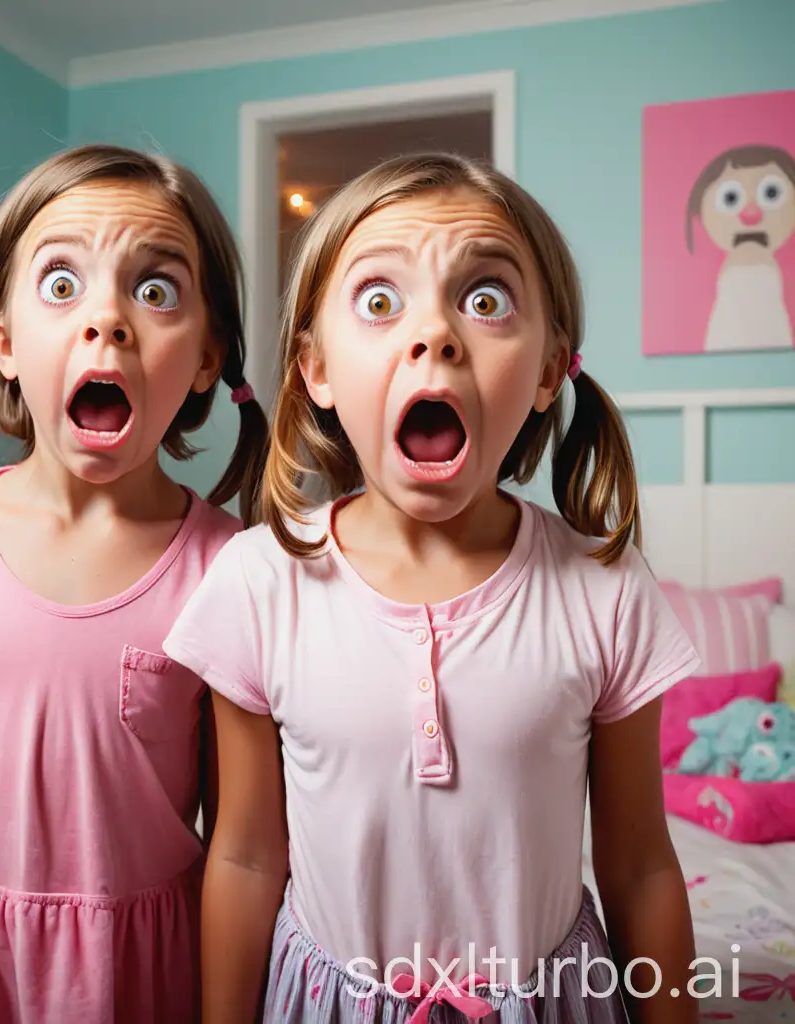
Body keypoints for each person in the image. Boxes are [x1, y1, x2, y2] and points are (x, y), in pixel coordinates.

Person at [163, 152, 702, 1023]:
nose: (436, 335)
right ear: (317, 370)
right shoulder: (259, 582)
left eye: (485, 301)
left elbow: (640, 865)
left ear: (546, 370)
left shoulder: (605, 589)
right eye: (380, 302)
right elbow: (247, 857)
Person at [0, 144, 268, 1024]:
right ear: (5, 345)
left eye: (155, 290)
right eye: (62, 284)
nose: (107, 319)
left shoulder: (235, 571)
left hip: (150, 971)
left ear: (204, 361)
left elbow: (243, 840)